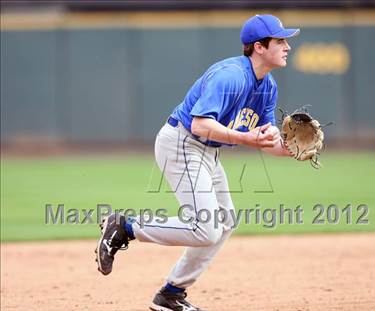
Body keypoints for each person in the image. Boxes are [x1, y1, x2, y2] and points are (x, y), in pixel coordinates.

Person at [96, 14, 300, 311]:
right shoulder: (230, 76)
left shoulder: (267, 86)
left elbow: (266, 139)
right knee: (205, 228)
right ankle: (124, 227)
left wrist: (294, 150)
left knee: (225, 222)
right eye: (280, 40)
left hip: (206, 152)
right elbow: (200, 125)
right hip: (182, 144)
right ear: (259, 46)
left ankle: (171, 294)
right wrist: (247, 139)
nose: (287, 47)